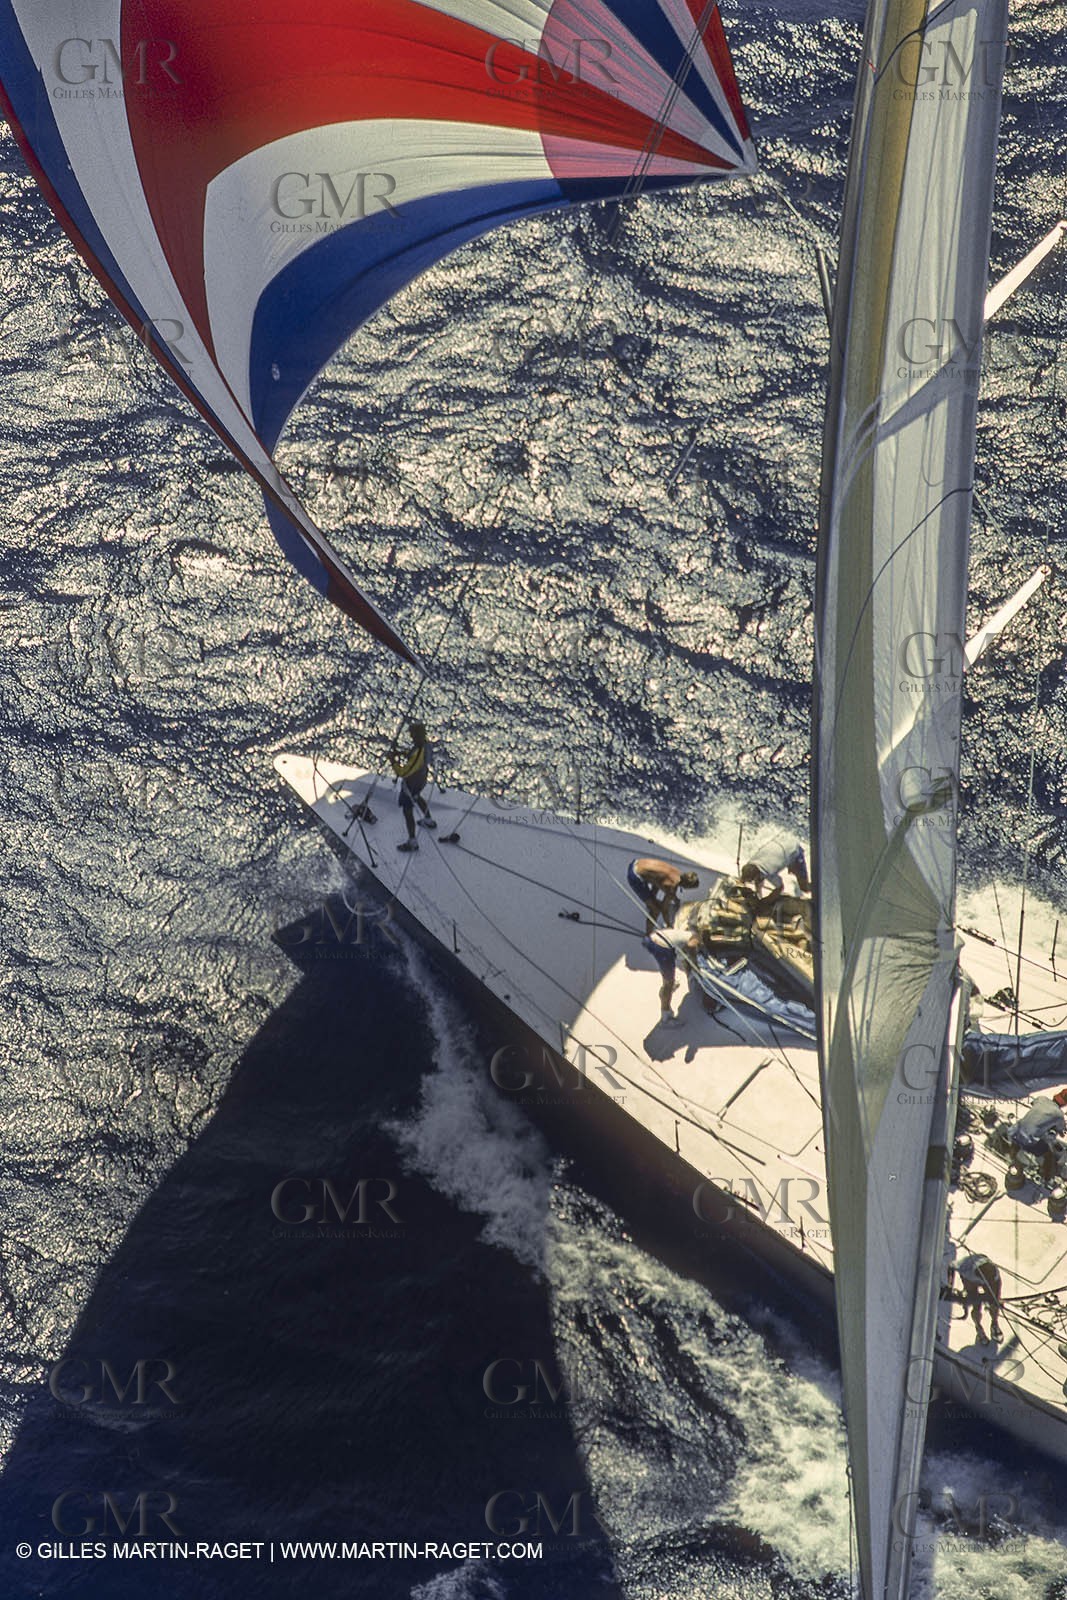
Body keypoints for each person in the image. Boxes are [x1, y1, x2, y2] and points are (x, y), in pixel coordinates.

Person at [390, 719, 436, 852]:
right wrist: (401, 753)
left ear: (416, 735)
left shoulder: (417, 752)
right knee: (418, 797)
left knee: (407, 810)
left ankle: (412, 841)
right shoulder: (426, 745)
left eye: (412, 734)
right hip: (421, 780)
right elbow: (415, 756)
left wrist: (392, 760)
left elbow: (403, 772)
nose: (410, 736)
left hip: (411, 785)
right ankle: (428, 820)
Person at [626, 857, 699, 933]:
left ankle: (651, 902)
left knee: (654, 895)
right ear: (686, 886)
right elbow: (664, 910)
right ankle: (648, 935)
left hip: (637, 863)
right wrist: (669, 925)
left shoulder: (677, 873)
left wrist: (675, 899)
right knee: (655, 910)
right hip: (635, 877)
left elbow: (659, 881)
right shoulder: (671, 887)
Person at [1009, 1089, 1067, 1183]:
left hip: (1015, 1131)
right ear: (1064, 1104)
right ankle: (1047, 1177)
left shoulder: (1041, 1099)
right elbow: (1062, 1131)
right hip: (1028, 1141)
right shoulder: (1059, 1114)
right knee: (1048, 1155)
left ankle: (1011, 1155)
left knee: (1017, 1139)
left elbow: (1033, 1103)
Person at [956, 1253, 1003, 1345]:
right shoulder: (968, 1274)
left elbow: (996, 1294)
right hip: (970, 1277)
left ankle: (994, 1324)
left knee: (994, 1303)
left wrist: (994, 1301)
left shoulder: (995, 1275)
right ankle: (978, 1328)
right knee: (976, 1306)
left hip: (985, 1272)